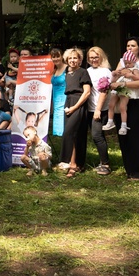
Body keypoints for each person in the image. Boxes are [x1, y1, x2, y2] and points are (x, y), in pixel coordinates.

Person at [111, 37, 139, 181]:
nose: (129, 48)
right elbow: (115, 79)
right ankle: (129, 170)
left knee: (136, 137)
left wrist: (123, 85)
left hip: (136, 102)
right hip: (121, 101)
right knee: (124, 137)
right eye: (128, 45)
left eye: (133, 45)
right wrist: (112, 79)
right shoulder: (122, 61)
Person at [58, 48, 91, 178]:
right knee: (74, 134)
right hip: (68, 102)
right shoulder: (66, 73)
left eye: (75, 58)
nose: (72, 60)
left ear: (80, 60)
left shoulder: (83, 72)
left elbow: (87, 92)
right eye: (70, 58)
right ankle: (75, 164)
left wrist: (75, 107)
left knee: (69, 133)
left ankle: (67, 162)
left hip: (79, 103)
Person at [109, 50, 139, 136]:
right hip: (117, 87)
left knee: (122, 107)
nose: (127, 65)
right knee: (111, 104)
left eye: (129, 63)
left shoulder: (134, 69)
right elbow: (113, 79)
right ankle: (110, 121)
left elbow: (138, 78)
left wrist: (131, 75)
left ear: (133, 62)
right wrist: (116, 73)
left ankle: (124, 125)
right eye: (125, 63)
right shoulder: (122, 69)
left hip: (125, 88)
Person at [50, 48, 67, 138]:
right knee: (59, 132)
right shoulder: (54, 70)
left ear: (62, 56)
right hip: (56, 101)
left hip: (65, 100)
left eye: (57, 56)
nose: (56, 59)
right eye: (53, 57)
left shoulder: (67, 69)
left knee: (66, 129)